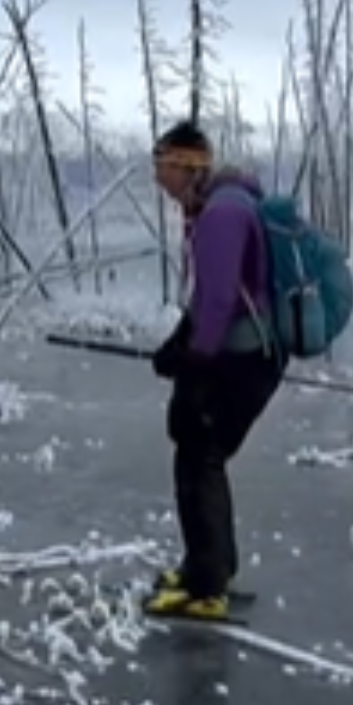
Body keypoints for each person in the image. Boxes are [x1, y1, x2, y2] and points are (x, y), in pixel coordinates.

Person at [144, 120, 282, 619]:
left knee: (198, 456)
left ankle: (205, 588)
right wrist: (179, 342)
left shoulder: (222, 215)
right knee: (200, 454)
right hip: (239, 355)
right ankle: (211, 566)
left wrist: (193, 358)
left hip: (241, 359)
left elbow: (221, 299)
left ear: (186, 167)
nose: (160, 183)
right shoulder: (215, 207)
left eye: (163, 170)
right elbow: (207, 299)